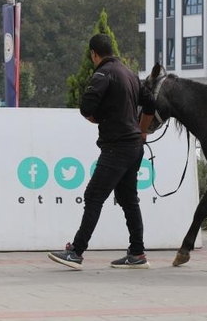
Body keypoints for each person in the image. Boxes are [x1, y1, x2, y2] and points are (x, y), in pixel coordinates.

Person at [48, 33, 156, 270]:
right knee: (129, 199)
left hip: (117, 147)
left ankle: (76, 252)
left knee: (94, 195)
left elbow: (86, 106)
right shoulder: (129, 73)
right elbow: (151, 103)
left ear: (93, 54)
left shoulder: (103, 73)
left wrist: (96, 117)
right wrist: (142, 130)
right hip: (134, 146)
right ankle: (137, 253)